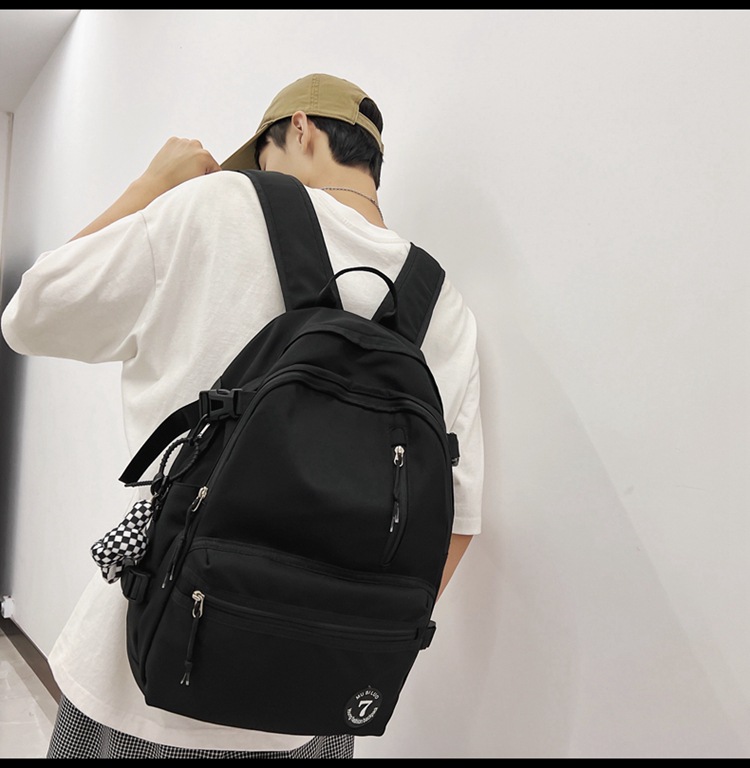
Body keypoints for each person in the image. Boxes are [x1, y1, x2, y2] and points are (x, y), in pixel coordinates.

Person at [1, 72, 484, 759]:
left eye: (262, 155)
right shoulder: (443, 305)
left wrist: (151, 183)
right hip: (317, 711)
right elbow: (454, 523)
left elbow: (32, 314)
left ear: (300, 128)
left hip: (150, 676)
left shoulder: (219, 202)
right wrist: (330, 641)